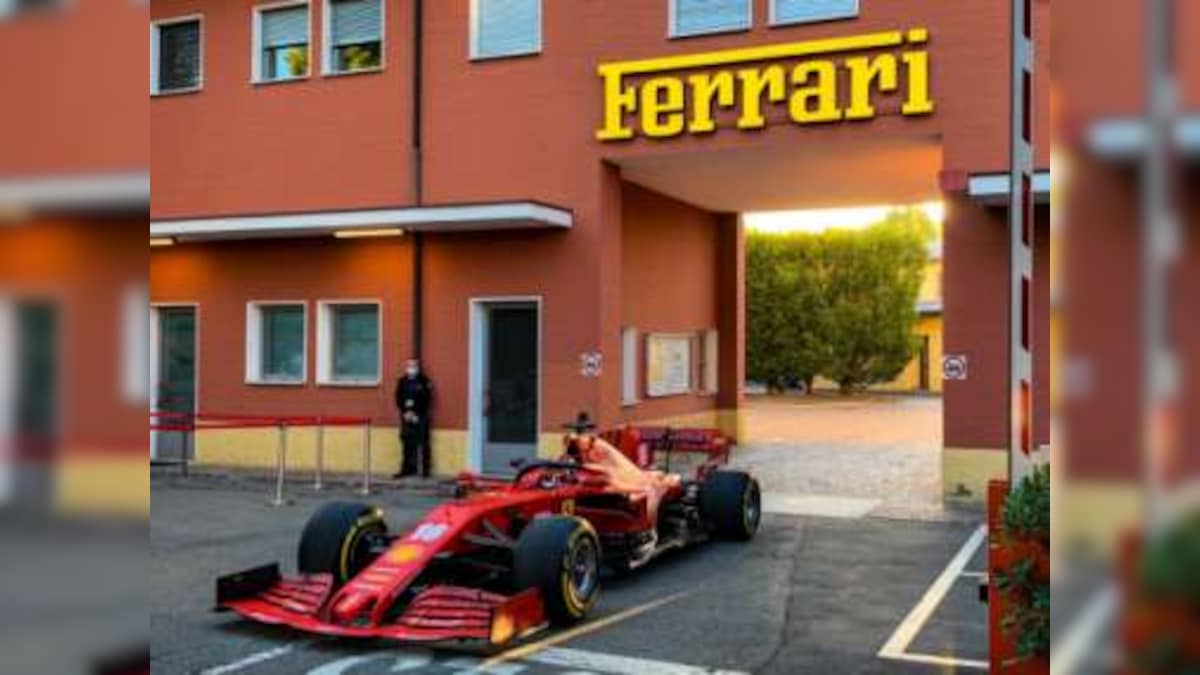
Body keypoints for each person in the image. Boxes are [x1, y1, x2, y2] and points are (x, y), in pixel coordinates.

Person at [393, 359, 433, 478]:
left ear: (418, 367)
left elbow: (427, 399)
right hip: (406, 415)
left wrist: (416, 413)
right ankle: (407, 469)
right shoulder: (402, 381)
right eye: (409, 366)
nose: (411, 368)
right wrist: (405, 412)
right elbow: (398, 397)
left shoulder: (424, 381)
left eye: (414, 366)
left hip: (420, 416)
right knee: (406, 442)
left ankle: (425, 470)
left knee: (423, 442)